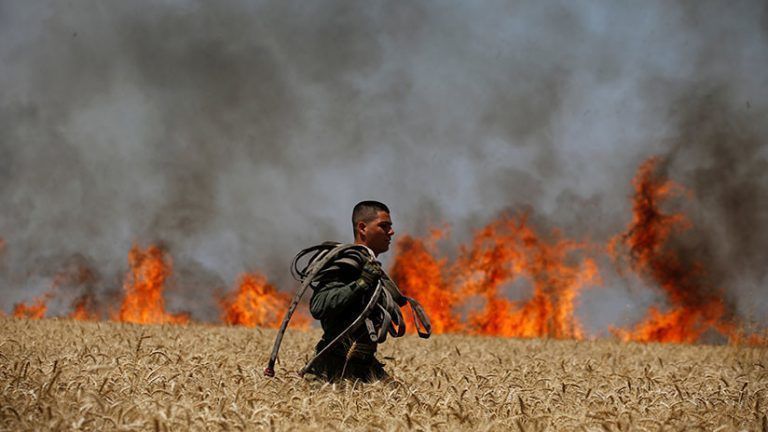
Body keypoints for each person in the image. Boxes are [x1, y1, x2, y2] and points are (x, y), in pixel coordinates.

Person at [306, 200, 395, 382]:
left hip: (365, 365)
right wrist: (362, 283)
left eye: (390, 226)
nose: (391, 232)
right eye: (383, 226)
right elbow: (318, 305)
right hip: (332, 368)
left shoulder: (370, 266)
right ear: (362, 228)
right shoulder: (347, 263)